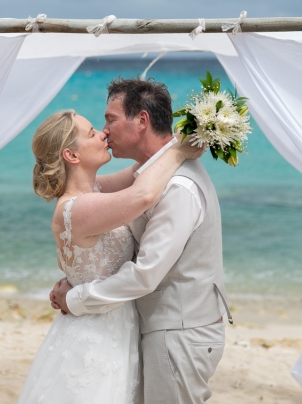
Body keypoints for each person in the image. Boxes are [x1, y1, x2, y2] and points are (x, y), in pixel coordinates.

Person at [50, 77, 232, 404]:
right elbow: (108, 195)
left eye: (110, 119)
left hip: (179, 333)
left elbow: (145, 273)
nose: (105, 131)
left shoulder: (175, 187)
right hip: (152, 331)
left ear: (142, 121)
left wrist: (76, 296)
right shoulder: (149, 175)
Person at [17, 105, 204, 404]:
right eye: (91, 133)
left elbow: (140, 172)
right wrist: (179, 152)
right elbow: (143, 194)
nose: (103, 133)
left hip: (114, 325)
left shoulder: (95, 191)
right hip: (97, 335)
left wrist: (187, 134)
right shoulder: (77, 208)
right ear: (72, 155)